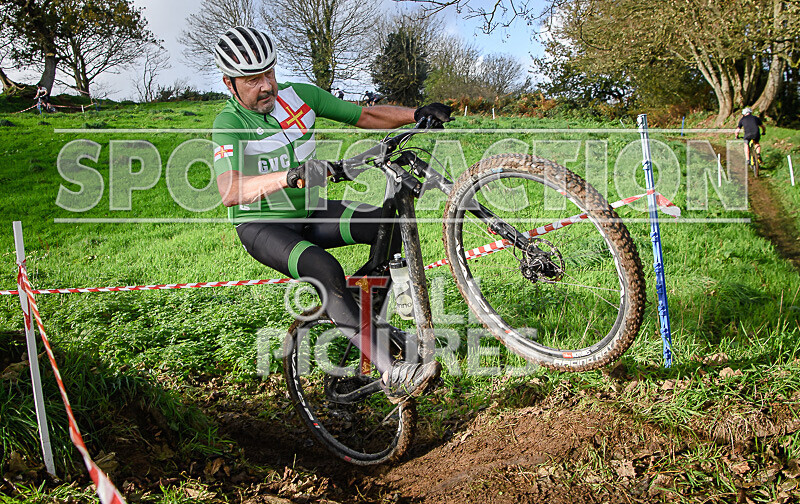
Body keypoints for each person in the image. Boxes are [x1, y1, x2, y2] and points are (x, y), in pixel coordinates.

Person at [211, 26, 452, 402]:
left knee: (386, 225)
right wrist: (288, 176)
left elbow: (366, 115)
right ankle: (391, 372)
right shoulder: (229, 124)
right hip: (262, 225)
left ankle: (356, 315)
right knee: (325, 271)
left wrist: (414, 113)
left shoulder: (300, 97)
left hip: (312, 209)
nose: (266, 86)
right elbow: (229, 189)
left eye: (269, 73)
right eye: (253, 79)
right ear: (230, 83)